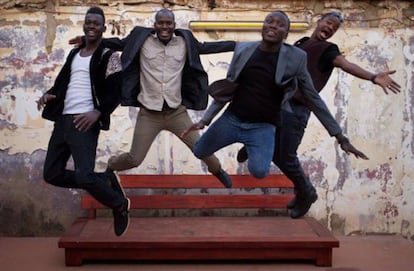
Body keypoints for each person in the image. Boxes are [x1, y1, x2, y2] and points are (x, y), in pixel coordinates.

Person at [182, 10, 368, 219]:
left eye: (280, 25)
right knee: (201, 150)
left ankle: (301, 188)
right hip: (244, 116)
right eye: (270, 22)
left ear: (286, 33)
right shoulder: (251, 49)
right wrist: (205, 120)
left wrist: (340, 135)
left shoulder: (311, 54)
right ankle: (252, 145)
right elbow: (228, 87)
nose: (273, 26)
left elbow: (319, 92)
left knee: (275, 163)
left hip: (278, 117)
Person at [236, 11, 401, 218]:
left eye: (335, 28)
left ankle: (306, 192)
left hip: (296, 109)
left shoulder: (328, 50)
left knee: (285, 158)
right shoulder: (302, 43)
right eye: (329, 23)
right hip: (278, 103)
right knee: (270, 143)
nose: (331, 28)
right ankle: (255, 144)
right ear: (319, 21)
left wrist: (373, 76)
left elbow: (345, 64)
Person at [70, 9, 236, 188]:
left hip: (176, 112)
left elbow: (206, 47)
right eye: (161, 23)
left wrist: (237, 46)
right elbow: (118, 43)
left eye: (168, 23)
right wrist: (87, 40)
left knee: (201, 147)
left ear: (174, 25)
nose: (165, 26)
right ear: (155, 25)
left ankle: (217, 170)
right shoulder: (141, 39)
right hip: (149, 113)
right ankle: (111, 165)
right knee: (135, 159)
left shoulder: (184, 41)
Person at [37, 7, 130, 237]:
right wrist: (50, 94)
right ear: (84, 25)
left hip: (84, 122)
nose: (91, 26)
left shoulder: (109, 56)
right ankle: (105, 179)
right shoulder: (74, 53)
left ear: (103, 28)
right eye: (88, 22)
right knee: (51, 174)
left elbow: (116, 92)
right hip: (63, 121)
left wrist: (97, 113)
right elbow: (62, 82)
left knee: (83, 175)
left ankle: (119, 204)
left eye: (96, 23)